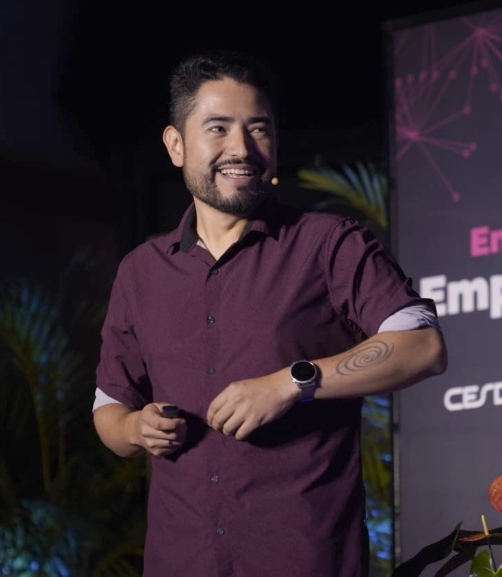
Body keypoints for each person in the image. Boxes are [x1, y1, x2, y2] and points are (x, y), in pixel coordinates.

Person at [92, 48, 447, 577]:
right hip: (181, 561)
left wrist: (292, 382)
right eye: (218, 128)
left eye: (258, 129)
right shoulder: (140, 271)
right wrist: (136, 428)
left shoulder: (328, 244)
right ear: (176, 145)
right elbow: (109, 408)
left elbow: (423, 345)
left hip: (305, 560)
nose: (241, 148)